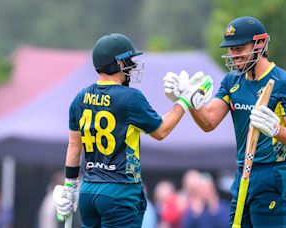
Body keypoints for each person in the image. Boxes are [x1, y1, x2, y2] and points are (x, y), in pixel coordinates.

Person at [52, 33, 213, 227]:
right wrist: (184, 101)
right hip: (120, 190)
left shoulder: (80, 97)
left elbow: (74, 144)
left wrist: (70, 186)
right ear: (118, 63)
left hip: (89, 189)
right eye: (129, 60)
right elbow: (161, 131)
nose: (132, 65)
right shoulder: (130, 97)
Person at [164, 16, 286, 227]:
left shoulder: (284, 83)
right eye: (230, 49)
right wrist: (189, 100)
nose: (233, 55)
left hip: (273, 173)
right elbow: (209, 122)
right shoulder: (232, 80)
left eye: (239, 48)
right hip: (243, 174)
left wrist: (275, 129)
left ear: (260, 44)